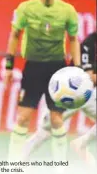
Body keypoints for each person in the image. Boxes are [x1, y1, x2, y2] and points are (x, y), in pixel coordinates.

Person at [5, 0, 81, 162]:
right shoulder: (25, 8)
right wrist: (9, 66)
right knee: (23, 117)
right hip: (32, 68)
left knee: (57, 119)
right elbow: (14, 35)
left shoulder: (67, 10)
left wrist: (77, 68)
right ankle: (13, 164)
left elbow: (73, 40)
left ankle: (59, 167)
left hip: (57, 69)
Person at [20, 32, 96, 164]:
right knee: (45, 131)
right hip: (72, 94)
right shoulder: (89, 44)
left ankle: (81, 143)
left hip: (91, 95)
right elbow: (90, 77)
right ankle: (19, 159)